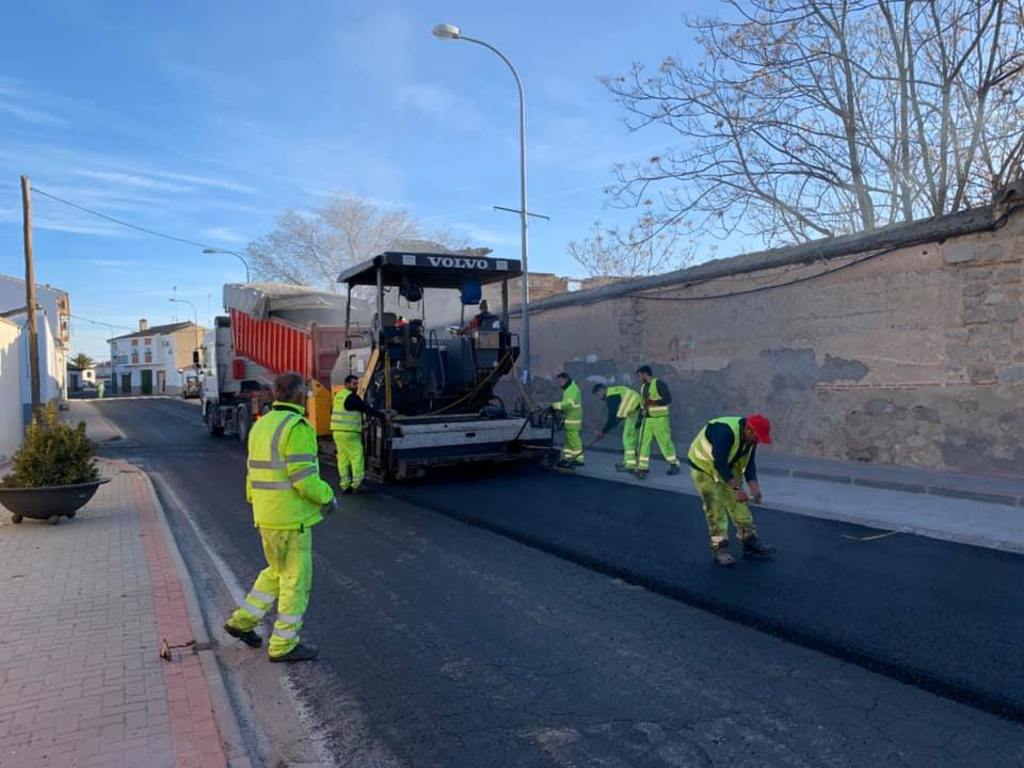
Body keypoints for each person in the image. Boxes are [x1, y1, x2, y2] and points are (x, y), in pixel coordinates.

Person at [224, 372, 337, 662]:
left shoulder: (262, 426)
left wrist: (257, 502)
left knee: (276, 571)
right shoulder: (298, 428)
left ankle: (242, 621)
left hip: (266, 514)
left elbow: (253, 472)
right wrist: (328, 496)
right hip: (291, 519)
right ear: (301, 396)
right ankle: (284, 644)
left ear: (275, 395)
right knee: (295, 581)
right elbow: (304, 480)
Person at [687, 414, 776, 567]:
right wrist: (737, 488)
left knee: (740, 503)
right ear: (748, 429)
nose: (757, 441)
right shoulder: (725, 431)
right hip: (703, 467)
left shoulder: (751, 438)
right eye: (756, 437)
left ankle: (749, 541)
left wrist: (756, 490)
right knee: (715, 506)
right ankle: (720, 547)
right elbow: (719, 463)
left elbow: (749, 464)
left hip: (727, 465)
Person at [330, 374, 386, 494]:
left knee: (343, 459)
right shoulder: (352, 398)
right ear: (347, 384)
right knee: (356, 457)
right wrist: (383, 416)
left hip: (337, 432)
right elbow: (366, 409)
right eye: (354, 384)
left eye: (357, 384)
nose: (356, 386)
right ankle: (357, 484)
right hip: (350, 432)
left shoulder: (339, 396)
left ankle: (344, 485)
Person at [636, 365, 681, 479]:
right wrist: (639, 419)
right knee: (643, 444)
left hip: (660, 419)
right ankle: (643, 468)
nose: (639, 378)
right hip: (647, 419)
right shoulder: (643, 387)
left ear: (645, 374)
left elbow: (668, 399)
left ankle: (674, 464)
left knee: (665, 443)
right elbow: (643, 405)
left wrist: (654, 402)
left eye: (640, 375)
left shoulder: (659, 383)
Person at [592, 383, 643, 472]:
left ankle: (631, 465)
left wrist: (603, 431)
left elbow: (612, 417)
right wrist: (607, 429)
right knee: (627, 437)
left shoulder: (611, 396)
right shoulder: (615, 391)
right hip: (633, 411)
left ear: (602, 390)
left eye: (598, 395)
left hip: (635, 411)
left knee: (628, 438)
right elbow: (617, 417)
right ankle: (627, 462)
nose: (598, 398)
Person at [551, 372, 583, 468]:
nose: (559, 384)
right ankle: (568, 458)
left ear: (565, 379)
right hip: (570, 418)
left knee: (574, 439)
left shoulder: (572, 389)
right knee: (569, 440)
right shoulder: (569, 389)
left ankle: (578, 459)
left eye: (560, 381)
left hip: (573, 419)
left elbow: (569, 403)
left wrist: (556, 405)